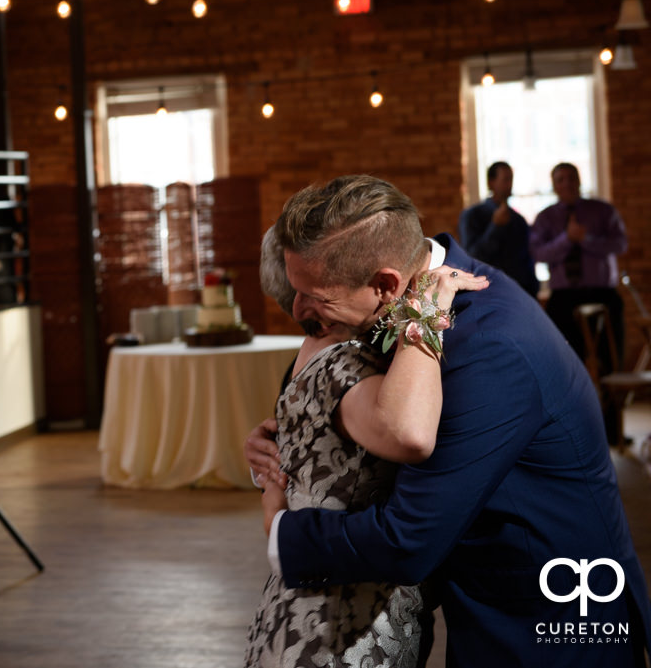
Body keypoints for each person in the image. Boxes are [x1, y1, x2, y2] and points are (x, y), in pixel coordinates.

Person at [245, 175, 650, 668]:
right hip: (488, 607)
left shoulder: (486, 345)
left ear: (386, 284)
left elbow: (408, 538)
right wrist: (285, 438)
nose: (297, 310)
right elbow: (342, 378)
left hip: (548, 625)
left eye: (314, 296)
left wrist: (283, 532)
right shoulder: (406, 297)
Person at [245, 226, 486, 668]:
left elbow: (305, 448)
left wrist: (267, 469)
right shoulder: (346, 363)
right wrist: (428, 313)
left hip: (309, 602)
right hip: (342, 623)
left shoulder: (318, 351)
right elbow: (407, 434)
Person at [529, 162, 628, 376]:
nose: (567, 184)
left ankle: (611, 409)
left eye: (571, 178)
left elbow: (620, 245)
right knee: (565, 361)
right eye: (560, 180)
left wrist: (585, 239)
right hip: (564, 298)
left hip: (602, 294)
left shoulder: (603, 210)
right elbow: (539, 254)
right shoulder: (546, 218)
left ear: (579, 181)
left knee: (609, 358)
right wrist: (567, 239)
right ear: (554, 186)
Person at [458, 161, 539, 296]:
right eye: (505, 179)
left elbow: (527, 258)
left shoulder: (518, 220)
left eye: (511, 179)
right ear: (491, 182)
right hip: (487, 292)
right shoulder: (472, 215)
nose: (509, 185)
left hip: (519, 291)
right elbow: (472, 256)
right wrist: (496, 227)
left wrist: (533, 289)